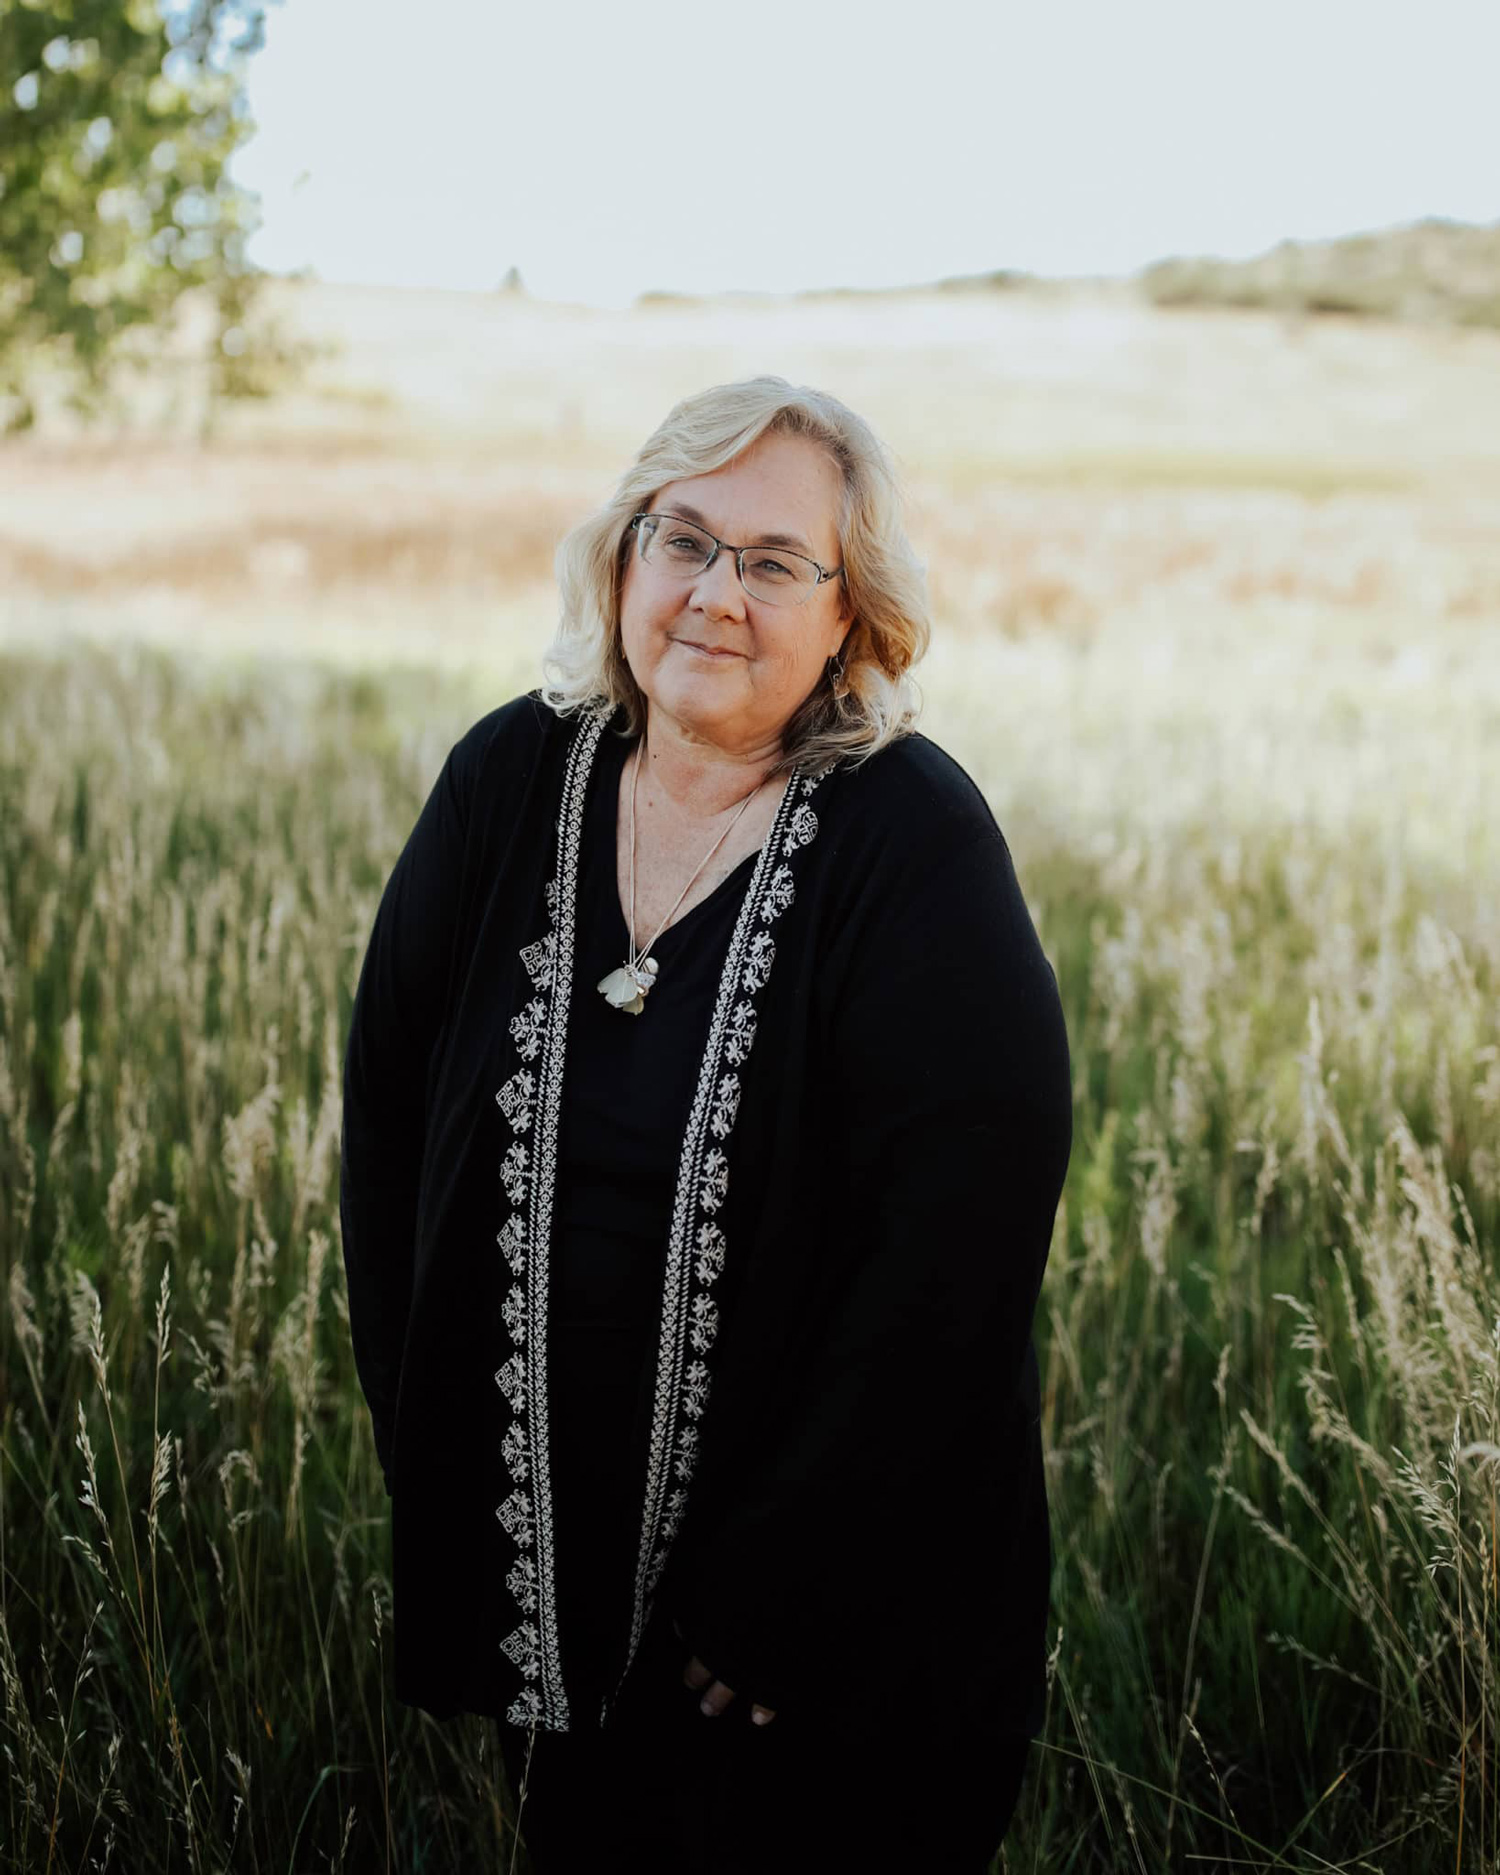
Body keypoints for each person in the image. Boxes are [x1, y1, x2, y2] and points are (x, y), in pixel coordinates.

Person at [338, 375, 1073, 1873]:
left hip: (824, 1639)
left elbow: (953, 1265)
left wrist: (780, 1594)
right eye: (683, 538)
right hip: (555, 1581)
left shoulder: (913, 844)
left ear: (850, 618)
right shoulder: (508, 778)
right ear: (620, 561)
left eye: (774, 561)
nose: (715, 594)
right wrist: (435, 1457)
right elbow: (388, 1135)